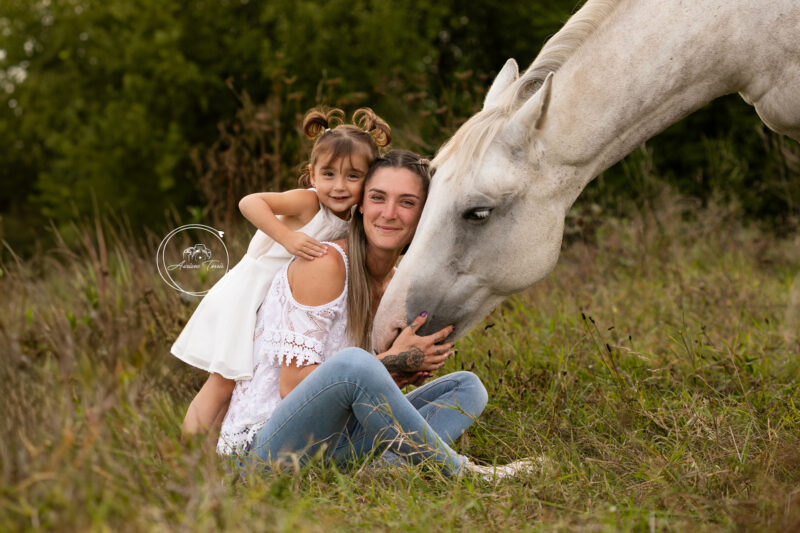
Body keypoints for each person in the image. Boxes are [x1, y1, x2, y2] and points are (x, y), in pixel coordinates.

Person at [218, 150, 528, 478]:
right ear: (362, 204)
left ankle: (376, 469)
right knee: (355, 364)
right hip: (264, 452)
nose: (389, 213)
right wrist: (391, 360)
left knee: (467, 388)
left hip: (329, 443)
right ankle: (465, 474)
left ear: (424, 213)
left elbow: (350, 391)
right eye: (378, 198)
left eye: (407, 202)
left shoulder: (394, 286)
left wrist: (397, 373)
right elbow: (293, 387)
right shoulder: (326, 264)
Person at [173, 107, 391, 435]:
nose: (339, 186)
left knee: (239, 386)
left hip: (273, 305)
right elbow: (250, 202)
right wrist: (287, 238)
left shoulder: (354, 221)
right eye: (328, 174)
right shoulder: (308, 202)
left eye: (353, 176)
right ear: (312, 174)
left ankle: (215, 453)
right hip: (248, 295)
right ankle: (182, 456)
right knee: (222, 383)